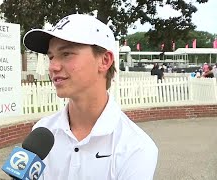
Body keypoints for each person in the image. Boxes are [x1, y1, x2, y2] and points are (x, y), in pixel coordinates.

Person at [23, 14, 158, 180]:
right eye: (51, 57)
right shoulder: (42, 132)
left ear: (104, 60)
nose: (53, 67)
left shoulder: (136, 148)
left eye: (66, 54)